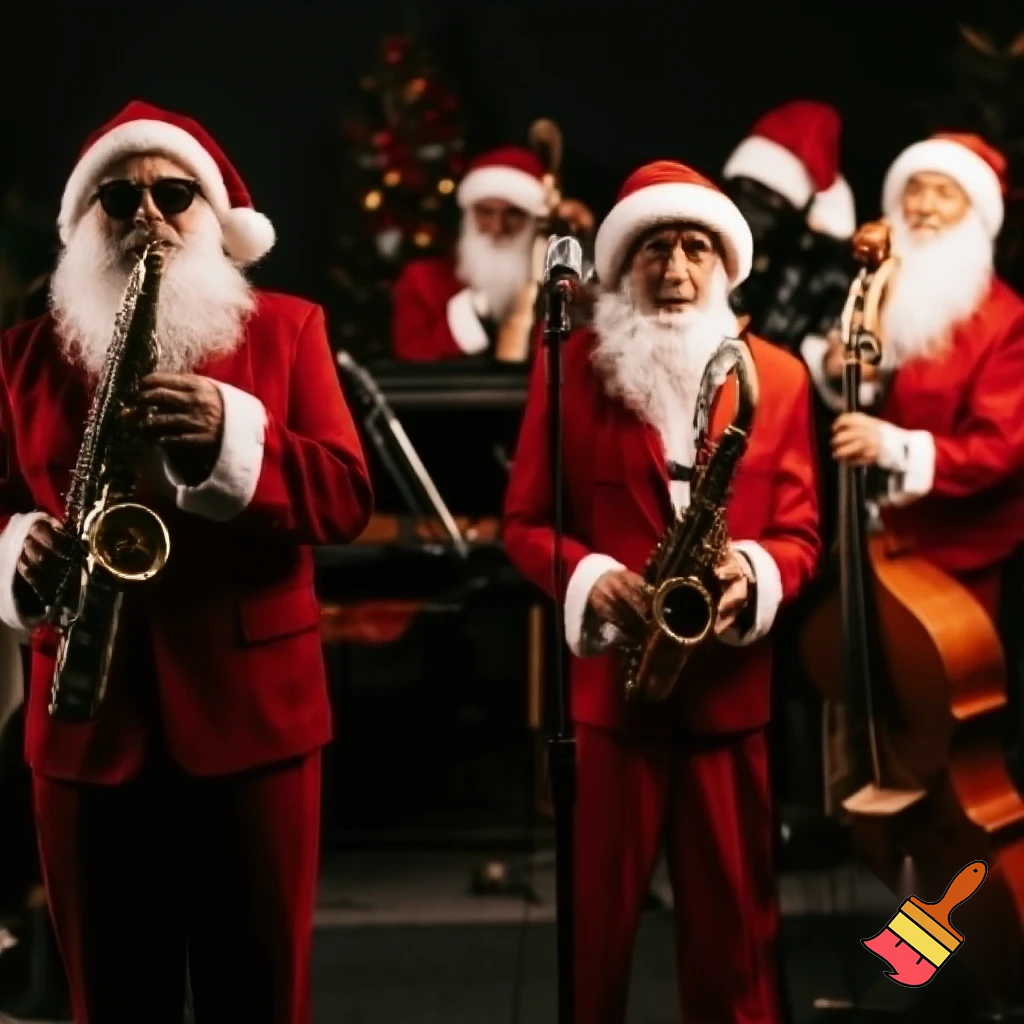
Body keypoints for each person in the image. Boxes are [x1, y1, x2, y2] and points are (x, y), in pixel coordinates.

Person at [0, 100, 373, 1024]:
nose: (148, 217)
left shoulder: (288, 330)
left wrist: (232, 437)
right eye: (118, 201)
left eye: (174, 194)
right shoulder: (24, 354)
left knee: (260, 998)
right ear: (85, 224)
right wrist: (16, 547)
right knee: (112, 1000)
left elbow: (344, 499)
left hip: (255, 720)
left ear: (212, 217)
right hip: (84, 725)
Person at [503, 160, 821, 1024]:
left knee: (738, 949)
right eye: (654, 248)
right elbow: (525, 524)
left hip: (728, 702)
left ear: (723, 263)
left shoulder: (782, 379)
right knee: (592, 945)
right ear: (620, 262)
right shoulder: (570, 369)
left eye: (694, 248)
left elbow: (801, 536)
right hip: (612, 706)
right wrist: (593, 579)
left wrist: (750, 575)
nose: (676, 271)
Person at [811, 132, 1024, 770]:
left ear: (977, 215)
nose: (925, 206)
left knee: (956, 719)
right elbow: (872, 392)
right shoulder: (885, 297)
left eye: (945, 194)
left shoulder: (1006, 319)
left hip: (965, 562)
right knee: (880, 709)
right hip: (883, 550)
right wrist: (841, 371)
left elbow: (1002, 446)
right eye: (915, 190)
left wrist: (894, 446)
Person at [390, 145, 594, 362]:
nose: (498, 227)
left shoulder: (561, 288)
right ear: (469, 216)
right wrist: (474, 310)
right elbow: (411, 355)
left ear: (534, 221)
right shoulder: (421, 280)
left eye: (513, 213)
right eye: (486, 212)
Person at [723, 99, 857, 355]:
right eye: (747, 190)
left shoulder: (822, 267)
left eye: (772, 200)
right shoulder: (706, 242)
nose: (754, 210)